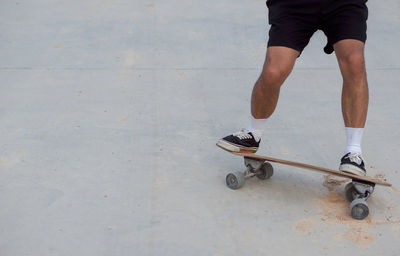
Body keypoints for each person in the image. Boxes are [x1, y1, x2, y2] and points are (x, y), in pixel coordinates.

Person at [217, 0, 369, 176]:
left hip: (344, 4)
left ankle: (354, 151)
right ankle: (253, 133)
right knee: (273, 72)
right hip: (294, 5)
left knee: (354, 62)